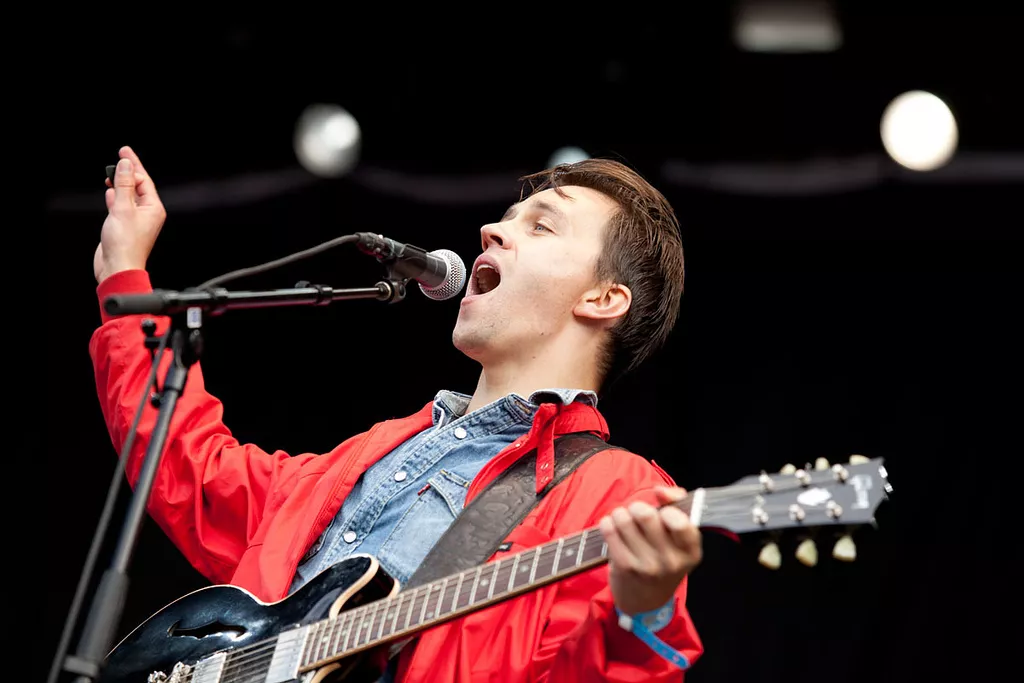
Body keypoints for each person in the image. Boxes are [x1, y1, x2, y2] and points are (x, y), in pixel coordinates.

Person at [90, 146, 704, 682]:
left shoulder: (619, 495)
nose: (491, 229)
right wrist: (124, 270)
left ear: (603, 298)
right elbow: (194, 473)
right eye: (507, 217)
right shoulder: (379, 451)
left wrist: (642, 612)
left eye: (543, 227)